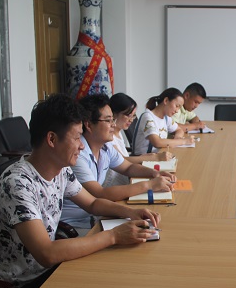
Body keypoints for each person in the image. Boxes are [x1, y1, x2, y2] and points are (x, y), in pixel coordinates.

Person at [0, 93, 161, 288]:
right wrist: (114, 236)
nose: (81, 145)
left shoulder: (60, 171)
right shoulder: (18, 184)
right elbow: (46, 253)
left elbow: (92, 203)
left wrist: (130, 212)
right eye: (77, 137)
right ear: (51, 139)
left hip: (46, 273)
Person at [61, 94, 175, 232]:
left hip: (95, 217)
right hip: (75, 226)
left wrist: (155, 173)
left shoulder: (105, 146)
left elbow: (128, 167)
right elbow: (100, 193)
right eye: (108, 120)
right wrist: (149, 185)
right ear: (89, 125)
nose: (113, 125)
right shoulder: (78, 154)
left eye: (113, 120)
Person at [105, 92, 174, 187]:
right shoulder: (108, 137)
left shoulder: (118, 132)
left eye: (133, 116)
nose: (131, 120)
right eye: (128, 115)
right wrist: (152, 158)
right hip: (114, 186)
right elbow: (121, 160)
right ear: (114, 114)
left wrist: (149, 161)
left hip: (125, 181)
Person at [133, 87, 195, 155]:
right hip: (144, 159)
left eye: (179, 108)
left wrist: (178, 137)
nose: (177, 111)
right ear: (166, 101)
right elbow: (157, 142)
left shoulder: (166, 118)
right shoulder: (148, 117)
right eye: (177, 106)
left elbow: (179, 130)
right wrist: (183, 141)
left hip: (158, 155)